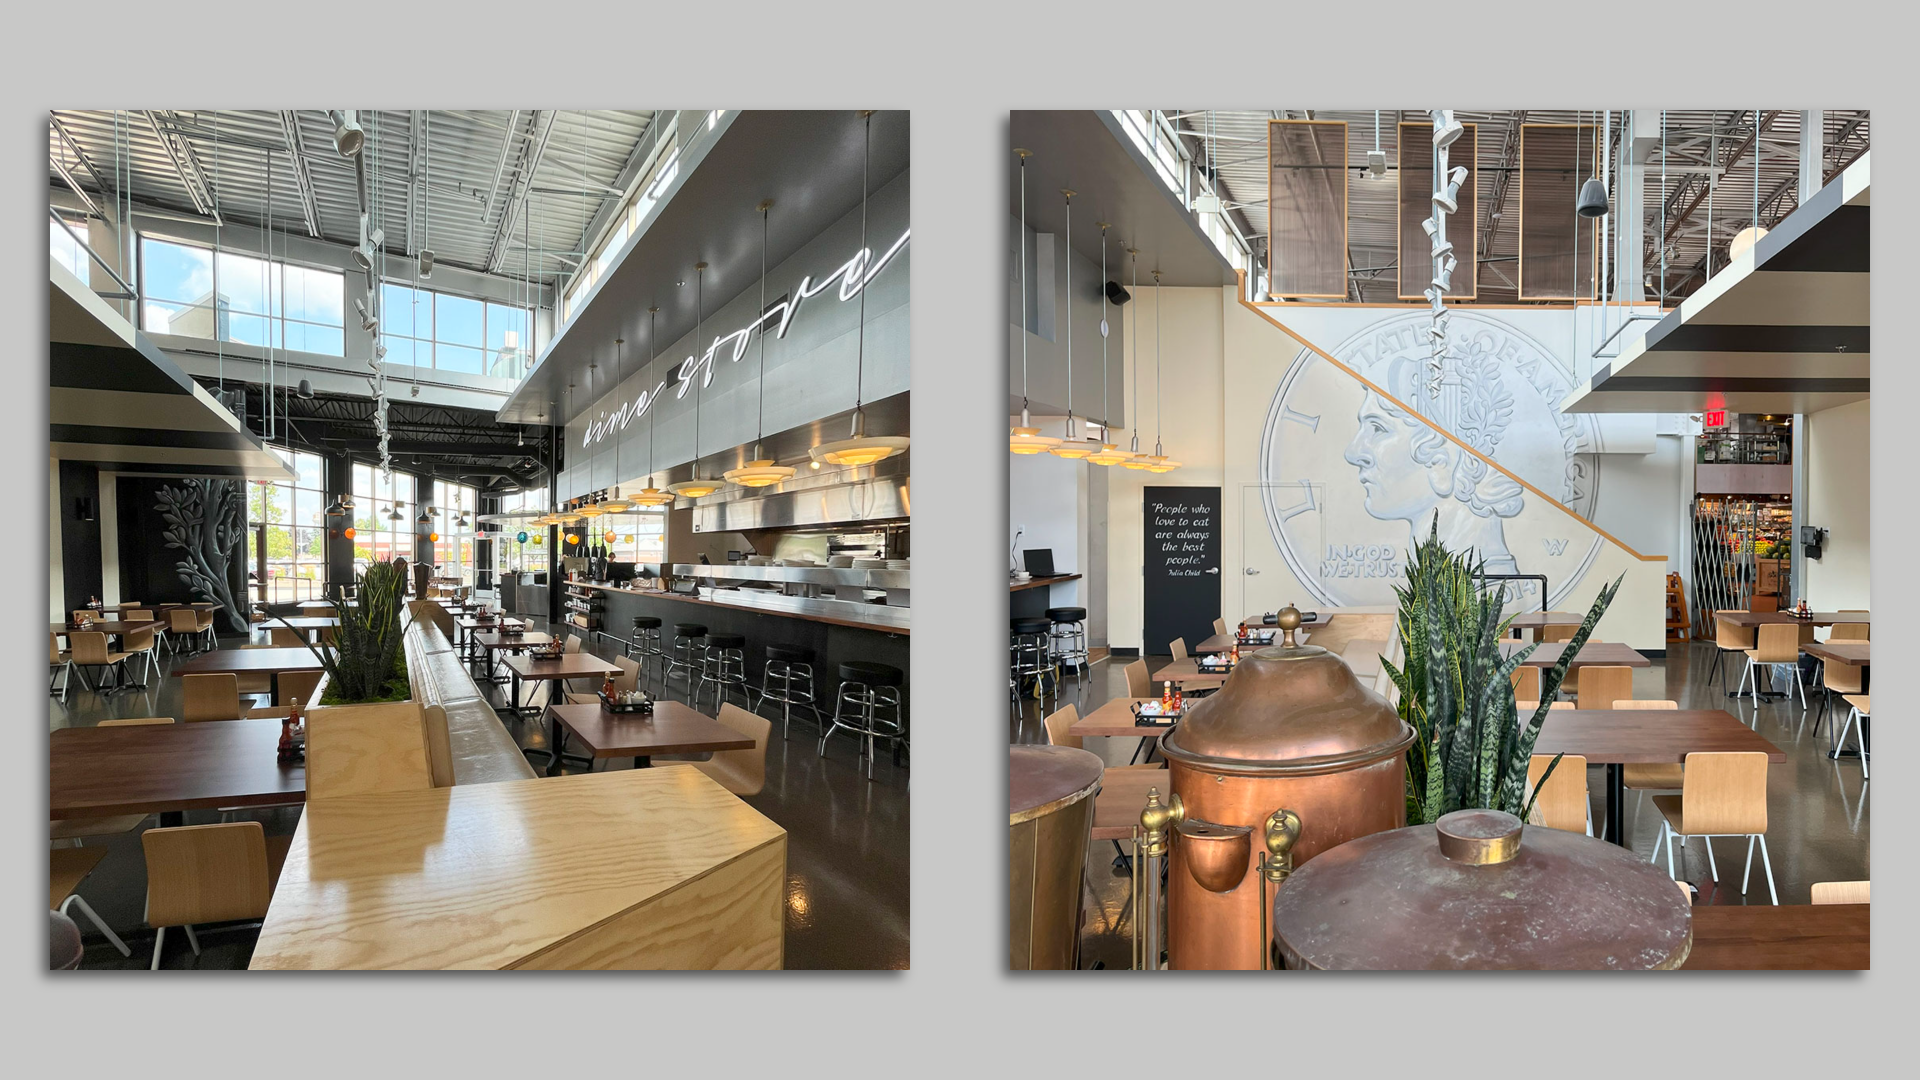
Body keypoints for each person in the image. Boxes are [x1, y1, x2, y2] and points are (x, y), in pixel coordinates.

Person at [1342, 353, 1525, 574]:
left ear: (1441, 462)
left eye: (1378, 428)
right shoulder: (1443, 587)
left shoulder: (1485, 593)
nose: (1352, 453)